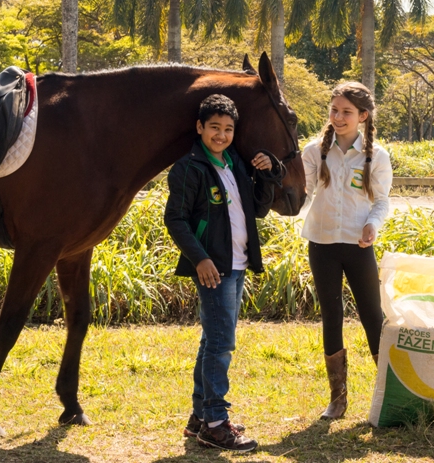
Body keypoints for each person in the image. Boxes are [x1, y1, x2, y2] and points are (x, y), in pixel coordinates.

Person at [164, 94, 281, 453]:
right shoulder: (189, 168)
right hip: (214, 269)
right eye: (214, 127)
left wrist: (268, 171)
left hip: (238, 263)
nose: (221, 134)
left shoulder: (235, 164)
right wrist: (200, 259)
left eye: (228, 128)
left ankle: (200, 417)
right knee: (221, 343)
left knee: (212, 340)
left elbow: (257, 210)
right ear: (199, 128)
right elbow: (175, 219)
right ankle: (216, 424)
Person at [300, 82, 393, 419]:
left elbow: (381, 201)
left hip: (358, 245)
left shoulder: (376, 156)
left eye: (347, 112)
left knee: (372, 315)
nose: (338, 117)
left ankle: (390, 394)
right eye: (334, 110)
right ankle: (337, 399)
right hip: (322, 244)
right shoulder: (314, 151)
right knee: (332, 316)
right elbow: (301, 193)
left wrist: (372, 225)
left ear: (363, 116)